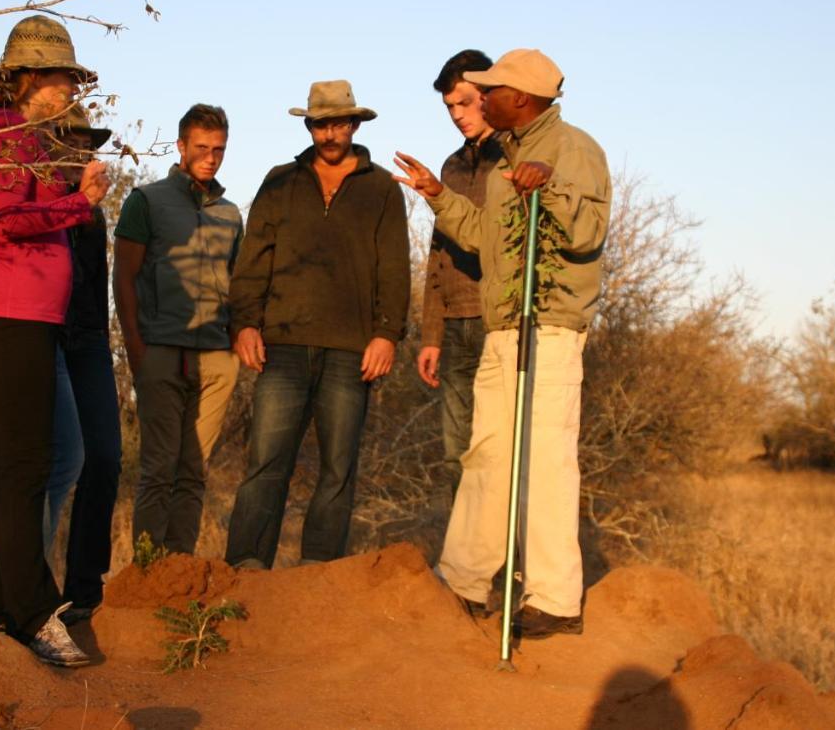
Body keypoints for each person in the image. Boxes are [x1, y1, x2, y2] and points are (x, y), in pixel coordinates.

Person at [394, 49, 611, 638]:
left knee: (546, 463)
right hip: (504, 330)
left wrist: (550, 190)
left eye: (489, 91)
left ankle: (555, 599)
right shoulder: (502, 163)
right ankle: (463, 582)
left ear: (520, 97)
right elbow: (483, 238)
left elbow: (588, 232)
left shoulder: (574, 150)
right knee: (486, 456)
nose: (481, 100)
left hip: (552, 329)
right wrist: (438, 195)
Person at [0, 15, 110, 667]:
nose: (72, 89)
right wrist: (80, 200)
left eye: (73, 78)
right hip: (8, 315)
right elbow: (3, 219)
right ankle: (30, 615)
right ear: (29, 79)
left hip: (24, 318)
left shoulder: (30, 141)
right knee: (26, 466)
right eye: (63, 79)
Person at [224, 80, 410, 570]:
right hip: (281, 343)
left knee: (337, 468)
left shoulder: (382, 188)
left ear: (355, 123)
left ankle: (320, 577)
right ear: (308, 126)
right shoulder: (280, 181)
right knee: (266, 461)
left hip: (352, 350)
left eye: (339, 122)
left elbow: (394, 267)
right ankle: (246, 568)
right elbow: (253, 259)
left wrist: (387, 333)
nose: (330, 133)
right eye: (320, 123)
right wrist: (244, 322)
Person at [113, 104, 243, 555]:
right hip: (161, 351)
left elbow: (239, 284)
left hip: (217, 357)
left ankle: (181, 570)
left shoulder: (230, 214)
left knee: (194, 469)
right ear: (181, 147)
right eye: (202, 148)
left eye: (219, 149)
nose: (211, 157)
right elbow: (123, 277)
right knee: (158, 468)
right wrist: (136, 350)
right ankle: (148, 575)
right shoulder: (145, 200)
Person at [42, 107, 123, 623]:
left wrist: (103, 339)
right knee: (53, 463)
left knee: (106, 457)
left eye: (84, 145)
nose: (79, 154)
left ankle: (84, 587)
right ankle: (33, 585)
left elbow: (97, 285)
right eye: (67, 144)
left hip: (89, 339)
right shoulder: (41, 203)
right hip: (45, 336)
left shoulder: (94, 214)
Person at [417, 49, 502, 499]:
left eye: (464, 102)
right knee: (455, 452)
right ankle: (463, 561)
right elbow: (438, 252)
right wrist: (430, 333)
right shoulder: (450, 165)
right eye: (449, 106)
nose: (456, 114)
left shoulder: (514, 158)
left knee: (498, 446)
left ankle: (506, 564)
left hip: (496, 321)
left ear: (489, 95)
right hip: (453, 327)